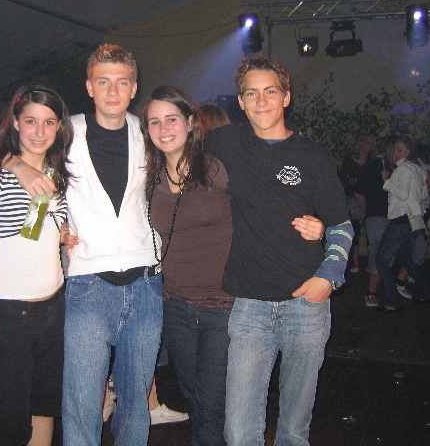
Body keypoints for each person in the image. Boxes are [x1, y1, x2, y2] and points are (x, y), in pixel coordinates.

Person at [138, 85, 325, 445]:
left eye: (172, 119)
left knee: (211, 402)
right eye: (155, 122)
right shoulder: (150, 177)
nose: (164, 128)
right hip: (174, 304)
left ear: (190, 122)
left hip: (224, 304)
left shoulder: (216, 168)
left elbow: (268, 198)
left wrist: (314, 223)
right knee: (195, 396)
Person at [6, 44, 163, 445]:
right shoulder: (67, 130)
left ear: (134, 88)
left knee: (135, 403)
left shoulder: (148, 132)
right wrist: (20, 169)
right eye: (103, 82)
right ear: (89, 87)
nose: (113, 91)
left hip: (146, 282)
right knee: (81, 401)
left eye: (122, 82)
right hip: (87, 283)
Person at [205, 57, 353, 446]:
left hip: (306, 302)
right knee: (239, 433)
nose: (261, 101)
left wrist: (329, 277)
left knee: (293, 430)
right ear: (240, 101)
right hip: (250, 306)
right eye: (251, 93)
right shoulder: (225, 143)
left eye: (270, 91)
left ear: (286, 97)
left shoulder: (313, 155)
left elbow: (341, 225)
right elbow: (167, 143)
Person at [0, 85, 73, 446]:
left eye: (49, 122)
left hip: (54, 307)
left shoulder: (58, 176)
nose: (40, 132)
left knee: (44, 406)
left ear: (58, 127)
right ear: (15, 122)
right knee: (10, 420)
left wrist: (64, 234)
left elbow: (34, 230)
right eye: (31, 121)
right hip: (8, 312)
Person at [376, 135, 430, 312]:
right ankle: (428, 293)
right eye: (395, 149)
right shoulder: (418, 169)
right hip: (413, 221)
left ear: (409, 151)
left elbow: (402, 194)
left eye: (400, 150)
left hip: (401, 221)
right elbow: (424, 195)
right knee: (406, 260)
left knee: (381, 261)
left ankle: (395, 303)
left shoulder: (403, 170)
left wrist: (386, 181)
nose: (395, 153)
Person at [353, 136, 396, 307]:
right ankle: (371, 293)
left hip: (393, 217)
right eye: (397, 149)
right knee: (381, 254)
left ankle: (386, 289)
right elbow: (358, 191)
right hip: (378, 217)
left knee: (388, 255)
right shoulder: (375, 166)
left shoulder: (398, 168)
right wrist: (369, 213)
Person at [339, 134, 376, 273]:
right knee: (354, 230)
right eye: (367, 142)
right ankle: (356, 263)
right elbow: (343, 181)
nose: (369, 145)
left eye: (372, 143)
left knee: (371, 230)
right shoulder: (349, 161)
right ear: (360, 143)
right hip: (351, 199)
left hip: (368, 199)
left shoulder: (372, 163)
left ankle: (371, 263)